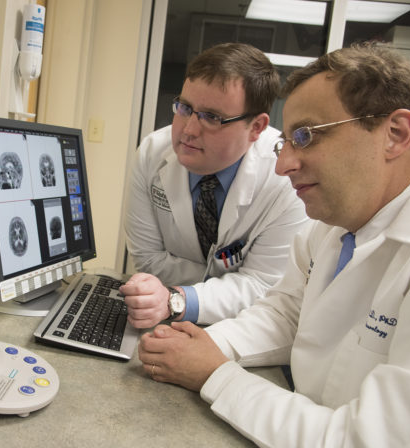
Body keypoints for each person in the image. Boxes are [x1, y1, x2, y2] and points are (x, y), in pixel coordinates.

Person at [137, 42, 410, 446]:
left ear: (395, 134)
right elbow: (287, 313)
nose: (284, 165)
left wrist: (216, 374)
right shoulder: (336, 225)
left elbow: (363, 439)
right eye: (286, 141)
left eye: (306, 136)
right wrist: (206, 345)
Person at [122, 43, 308, 328]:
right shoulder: (152, 153)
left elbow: (264, 284)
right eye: (185, 108)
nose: (188, 130)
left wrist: (176, 298)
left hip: (245, 327)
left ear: (256, 127)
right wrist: (230, 283)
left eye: (212, 117)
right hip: (160, 319)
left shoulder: (285, 176)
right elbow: (147, 258)